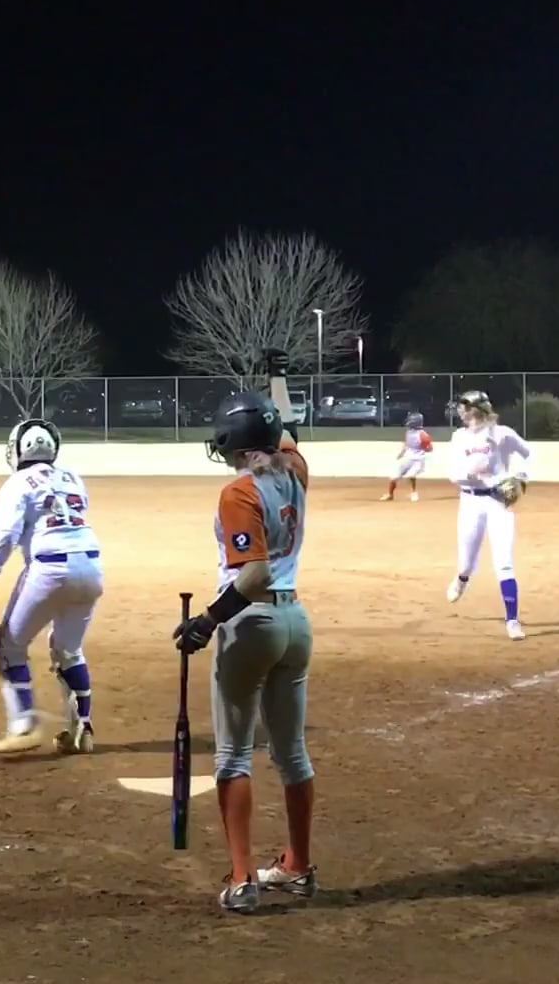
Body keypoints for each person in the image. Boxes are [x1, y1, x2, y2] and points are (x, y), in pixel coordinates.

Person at [172, 352, 315, 914]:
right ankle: (297, 866)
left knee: (233, 757)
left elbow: (253, 576)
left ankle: (241, 878)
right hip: (295, 623)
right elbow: (289, 429)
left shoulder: (239, 492)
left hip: (250, 625)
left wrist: (208, 620)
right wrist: (278, 378)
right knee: (292, 754)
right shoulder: (295, 472)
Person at [0, 418, 103, 756]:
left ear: (17, 449)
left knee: (8, 645)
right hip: (91, 566)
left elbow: (6, 537)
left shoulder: (16, 483)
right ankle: (81, 729)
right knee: (68, 649)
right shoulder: (73, 478)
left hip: (49, 568)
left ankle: (23, 725)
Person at [445, 391, 534, 641]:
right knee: (466, 562)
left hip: (498, 503)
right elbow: (452, 474)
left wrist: (521, 477)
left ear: (475, 409)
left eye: (463, 407)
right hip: (470, 502)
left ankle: (512, 620)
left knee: (504, 563)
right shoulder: (459, 437)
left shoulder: (502, 434)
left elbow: (528, 453)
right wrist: (468, 475)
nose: (460, 411)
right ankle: (462, 578)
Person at [380, 412, 432, 502]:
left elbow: (430, 448)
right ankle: (390, 494)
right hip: (408, 458)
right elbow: (406, 444)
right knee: (394, 477)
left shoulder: (423, 435)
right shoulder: (408, 432)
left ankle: (413, 493)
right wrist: (402, 453)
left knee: (411, 475)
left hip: (418, 460)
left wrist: (424, 448)